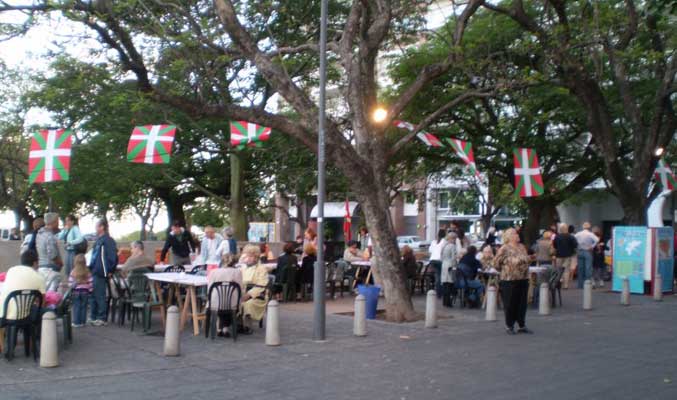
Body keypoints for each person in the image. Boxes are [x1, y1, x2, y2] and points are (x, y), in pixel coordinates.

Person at [494, 228, 532, 335]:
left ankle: (521, 325)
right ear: (509, 236)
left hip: (523, 277)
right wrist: (507, 268)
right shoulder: (504, 248)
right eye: (515, 233)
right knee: (510, 303)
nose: (517, 235)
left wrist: (529, 259)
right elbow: (496, 263)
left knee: (522, 303)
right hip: (509, 279)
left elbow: (525, 258)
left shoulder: (522, 247)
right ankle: (509, 325)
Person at [0, 249, 46, 320]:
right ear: (35, 263)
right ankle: (33, 331)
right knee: (47, 312)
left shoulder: (11, 270)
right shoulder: (39, 277)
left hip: (2, 313)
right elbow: (42, 303)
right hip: (21, 317)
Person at [88, 219, 117, 327]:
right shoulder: (99, 240)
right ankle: (94, 316)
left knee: (100, 295)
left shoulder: (107, 241)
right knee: (94, 295)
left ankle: (102, 318)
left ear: (102, 227)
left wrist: (110, 270)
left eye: (97, 226)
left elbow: (112, 256)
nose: (95, 229)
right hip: (96, 270)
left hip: (101, 271)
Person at [208, 253, 243, 337]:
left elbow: (209, 289)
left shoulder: (213, 272)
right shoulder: (237, 272)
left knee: (220, 302)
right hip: (231, 304)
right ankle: (224, 329)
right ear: (235, 262)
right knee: (232, 304)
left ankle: (220, 329)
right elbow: (240, 289)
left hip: (215, 303)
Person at [239, 244, 270, 333]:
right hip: (243, 293)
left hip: (257, 295)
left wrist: (248, 295)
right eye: (246, 256)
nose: (247, 258)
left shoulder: (262, 269)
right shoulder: (242, 268)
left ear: (256, 257)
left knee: (248, 304)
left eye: (250, 256)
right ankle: (238, 324)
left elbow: (261, 285)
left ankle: (248, 326)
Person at [36, 213, 63, 291]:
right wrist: (60, 263)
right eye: (57, 221)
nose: (58, 224)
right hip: (50, 269)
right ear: (53, 222)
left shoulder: (39, 234)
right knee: (51, 296)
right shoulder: (49, 236)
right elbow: (52, 255)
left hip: (41, 267)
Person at [69, 254, 93, 328]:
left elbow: (70, 282)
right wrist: (90, 290)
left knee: (76, 306)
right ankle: (82, 322)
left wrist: (71, 288)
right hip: (85, 292)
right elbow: (91, 282)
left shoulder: (73, 272)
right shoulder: (87, 271)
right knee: (84, 307)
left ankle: (76, 322)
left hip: (76, 292)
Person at [553, 223, 578, 289]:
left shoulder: (557, 236)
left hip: (558, 255)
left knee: (559, 270)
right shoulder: (570, 236)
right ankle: (566, 285)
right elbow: (575, 245)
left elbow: (554, 245)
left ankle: (558, 283)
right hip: (568, 255)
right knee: (566, 270)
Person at [575, 222, 599, 289]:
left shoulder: (578, 234)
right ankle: (587, 284)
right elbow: (597, 240)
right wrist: (592, 246)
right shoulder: (590, 234)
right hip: (588, 251)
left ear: (583, 227)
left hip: (579, 251)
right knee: (588, 268)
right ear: (589, 227)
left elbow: (574, 240)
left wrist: (577, 246)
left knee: (580, 268)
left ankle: (580, 285)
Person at [440, 231, 458, 307]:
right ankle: (449, 302)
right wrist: (455, 266)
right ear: (453, 238)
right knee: (450, 284)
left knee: (445, 284)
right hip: (450, 265)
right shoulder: (452, 246)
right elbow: (454, 258)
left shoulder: (444, 245)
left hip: (444, 265)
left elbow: (441, 256)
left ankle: (445, 301)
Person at [428, 229, 446, 299]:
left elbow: (430, 251)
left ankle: (437, 292)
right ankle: (440, 293)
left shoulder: (433, 242)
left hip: (432, 260)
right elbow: (443, 252)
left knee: (437, 277)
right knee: (441, 277)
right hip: (440, 260)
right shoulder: (444, 241)